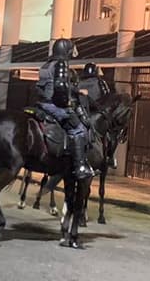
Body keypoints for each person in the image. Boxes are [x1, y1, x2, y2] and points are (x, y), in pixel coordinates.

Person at [35, 38, 94, 180]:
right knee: (78, 129)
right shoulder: (61, 64)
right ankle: (80, 167)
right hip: (53, 105)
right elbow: (60, 86)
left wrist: (77, 90)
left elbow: (47, 84)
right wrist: (66, 103)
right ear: (65, 51)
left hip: (41, 103)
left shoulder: (46, 64)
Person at [76, 63, 114, 169]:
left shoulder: (79, 82)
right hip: (96, 113)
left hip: (80, 112)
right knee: (110, 133)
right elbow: (107, 97)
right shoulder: (101, 82)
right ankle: (109, 157)